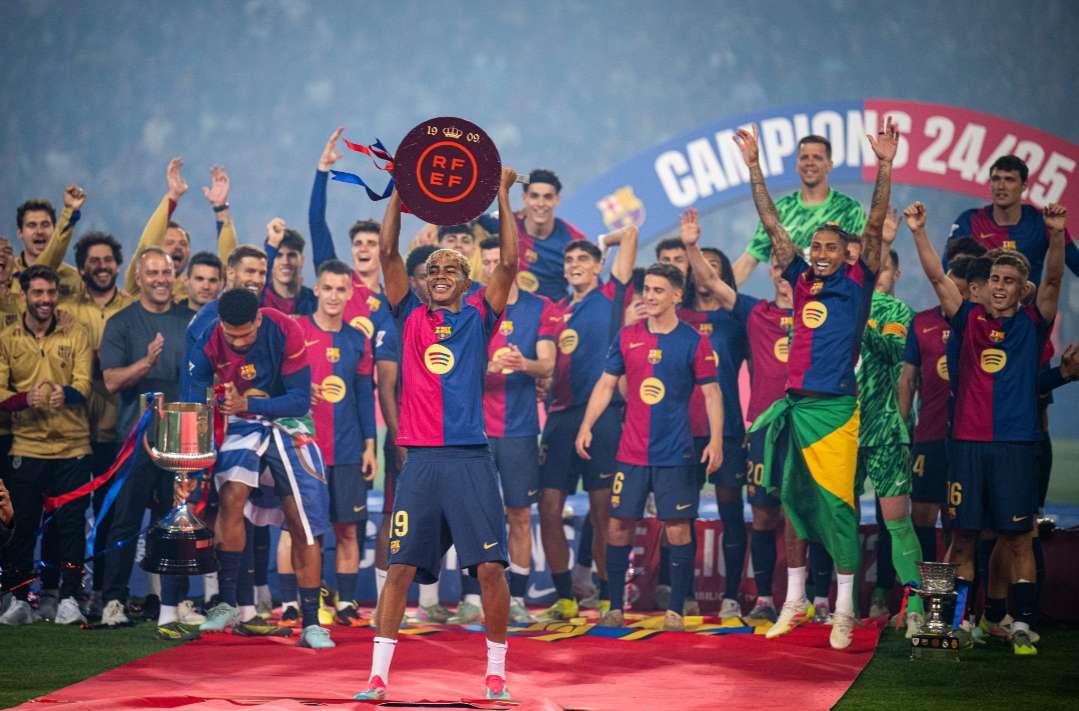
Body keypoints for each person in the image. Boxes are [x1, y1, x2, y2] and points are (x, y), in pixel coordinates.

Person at [354, 167, 519, 702]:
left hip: (470, 459)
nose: (441, 273)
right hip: (421, 462)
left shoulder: (480, 317)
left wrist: (502, 194)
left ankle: (496, 672)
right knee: (398, 566)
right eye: (433, 270)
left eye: (452, 269)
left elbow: (509, 263)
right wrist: (399, 195)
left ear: (468, 281)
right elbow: (388, 253)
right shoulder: (407, 315)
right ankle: (377, 676)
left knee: (490, 567)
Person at [739, 117, 897, 650]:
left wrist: (884, 166)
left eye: (831, 246)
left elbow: (873, 224)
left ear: (847, 253)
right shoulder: (801, 280)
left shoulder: (858, 284)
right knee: (794, 507)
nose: (822, 253)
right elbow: (771, 223)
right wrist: (755, 167)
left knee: (838, 511)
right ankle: (795, 602)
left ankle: (844, 610)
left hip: (835, 413)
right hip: (795, 408)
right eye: (817, 247)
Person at [907, 199, 1067, 656]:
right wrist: (918, 232)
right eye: (994, 279)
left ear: (1022, 290)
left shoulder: (1033, 324)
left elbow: (1053, 279)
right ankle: (951, 625)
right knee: (961, 538)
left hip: (1015, 446)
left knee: (1018, 538)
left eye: (1008, 281)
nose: (998, 287)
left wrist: (1056, 235)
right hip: (966, 446)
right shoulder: (967, 319)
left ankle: (1021, 625)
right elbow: (938, 278)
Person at [184, 287, 333, 648]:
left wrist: (249, 403)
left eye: (246, 335)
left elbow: (299, 401)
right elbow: (193, 403)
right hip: (238, 421)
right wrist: (192, 465)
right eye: (231, 336)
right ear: (221, 324)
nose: (238, 343)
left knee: (302, 518)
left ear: (259, 320)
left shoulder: (285, 329)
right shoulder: (205, 335)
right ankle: (226, 603)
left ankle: (312, 623)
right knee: (231, 495)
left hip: (287, 422)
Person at [577, 262, 723, 630]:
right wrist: (586, 425)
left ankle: (675, 609)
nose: (650, 296)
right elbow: (606, 384)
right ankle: (615, 607)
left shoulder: (693, 340)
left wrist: (717, 440)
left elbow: (712, 392)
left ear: (677, 295)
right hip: (631, 452)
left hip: (676, 452)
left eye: (659, 290)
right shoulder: (627, 336)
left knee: (677, 529)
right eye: (647, 290)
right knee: (617, 526)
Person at [679, 209, 793, 622]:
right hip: (683, 432)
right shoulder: (678, 318)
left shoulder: (739, 320)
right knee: (683, 513)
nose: (706, 273)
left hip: (728, 432)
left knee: (735, 512)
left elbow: (764, 368)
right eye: (701, 265)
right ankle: (683, 595)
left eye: (714, 267)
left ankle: (736, 596)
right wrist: (691, 245)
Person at [99, 247, 204, 637]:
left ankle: (178, 602)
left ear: (175, 276)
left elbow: (202, 377)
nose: (161, 279)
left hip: (179, 445)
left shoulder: (190, 322)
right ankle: (113, 600)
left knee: (176, 525)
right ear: (139, 278)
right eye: (153, 272)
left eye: (166, 272)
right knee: (125, 523)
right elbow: (111, 381)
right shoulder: (121, 323)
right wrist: (146, 363)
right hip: (135, 443)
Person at [536, 226, 637, 622]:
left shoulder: (612, 296)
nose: (575, 265)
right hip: (560, 418)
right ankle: (565, 597)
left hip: (603, 417)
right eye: (569, 260)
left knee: (601, 513)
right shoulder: (553, 310)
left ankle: (610, 598)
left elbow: (630, 234)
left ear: (598, 267)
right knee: (548, 508)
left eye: (583, 259)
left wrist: (604, 243)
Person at [42, 231, 135, 622]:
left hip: (117, 430)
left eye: (108, 260)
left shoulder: (132, 307)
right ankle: (55, 591)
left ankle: (103, 593)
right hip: (73, 431)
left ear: (118, 264)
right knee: (65, 515)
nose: (101, 266)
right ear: (81, 268)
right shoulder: (64, 310)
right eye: (93, 261)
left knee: (111, 517)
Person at [470, 236, 557, 624]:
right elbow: (452, 364)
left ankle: (517, 599)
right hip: (475, 432)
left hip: (519, 430)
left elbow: (548, 364)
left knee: (520, 515)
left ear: (513, 263)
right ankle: (474, 599)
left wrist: (525, 364)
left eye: (498, 261)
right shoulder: (470, 307)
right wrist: (486, 366)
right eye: (486, 262)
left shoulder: (540, 307)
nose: (493, 268)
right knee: (473, 514)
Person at [0, 265, 92, 626]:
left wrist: (64, 394)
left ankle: (69, 596)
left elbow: (84, 384)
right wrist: (26, 398)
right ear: (24, 295)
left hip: (72, 445)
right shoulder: (8, 337)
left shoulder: (76, 332)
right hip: (28, 445)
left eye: (51, 292)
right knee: (22, 526)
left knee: (70, 526)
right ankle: (21, 598)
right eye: (38, 292)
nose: (45, 299)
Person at [290, 259, 377, 626]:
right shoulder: (296, 331)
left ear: (349, 294)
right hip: (303, 447)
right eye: (327, 288)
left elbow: (364, 397)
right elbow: (277, 381)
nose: (333, 296)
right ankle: (298, 601)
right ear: (316, 289)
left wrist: (369, 445)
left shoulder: (358, 339)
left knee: (348, 529)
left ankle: (346, 603)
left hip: (346, 448)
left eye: (341, 289)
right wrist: (299, 390)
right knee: (302, 530)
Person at [849, 214, 924, 635]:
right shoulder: (835, 305)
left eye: (883, 264)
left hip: (885, 430)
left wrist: (861, 324)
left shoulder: (897, 312)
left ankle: (916, 607)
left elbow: (895, 352)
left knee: (897, 521)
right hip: (843, 431)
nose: (876, 271)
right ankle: (843, 603)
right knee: (841, 521)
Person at [897, 259, 977, 566]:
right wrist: (902, 429)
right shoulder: (921, 323)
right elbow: (907, 380)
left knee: (958, 517)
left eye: (959, 289)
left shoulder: (978, 324)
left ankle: (960, 592)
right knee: (922, 514)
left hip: (967, 437)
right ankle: (928, 589)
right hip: (929, 434)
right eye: (947, 285)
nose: (949, 293)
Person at [731, 136, 867, 285]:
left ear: (829, 165)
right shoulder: (781, 209)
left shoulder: (850, 209)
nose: (810, 162)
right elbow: (748, 261)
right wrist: (718, 296)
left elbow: (864, 263)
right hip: (792, 298)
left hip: (836, 295)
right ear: (797, 164)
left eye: (817, 158)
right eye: (804, 157)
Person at [945, 155, 1079, 282]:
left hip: (1030, 300)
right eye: (996, 179)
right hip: (980, 300)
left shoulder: (1043, 222)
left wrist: (1057, 235)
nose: (1001, 186)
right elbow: (947, 271)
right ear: (990, 183)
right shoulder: (970, 221)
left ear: (1024, 185)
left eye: (1009, 180)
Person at [125, 160, 237, 302]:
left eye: (183, 244)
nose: (177, 247)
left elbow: (230, 270)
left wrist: (221, 208)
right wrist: (173, 196)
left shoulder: (195, 290)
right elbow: (146, 248)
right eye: (169, 242)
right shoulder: (140, 284)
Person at [477, 169, 587, 301]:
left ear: (557, 200)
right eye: (534, 196)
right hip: (507, 308)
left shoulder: (574, 241)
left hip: (553, 312)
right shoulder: (504, 224)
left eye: (547, 197)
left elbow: (588, 289)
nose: (541, 203)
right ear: (525, 198)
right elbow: (467, 211)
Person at [10, 186, 86, 300]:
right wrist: (69, 212)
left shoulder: (75, 279)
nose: (39, 231)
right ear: (20, 233)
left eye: (45, 225)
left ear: (55, 230)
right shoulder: (7, 274)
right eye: (32, 225)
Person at [263, 218, 317, 315]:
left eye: (291, 255)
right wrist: (273, 244)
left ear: (302, 260)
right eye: (278, 255)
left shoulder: (315, 302)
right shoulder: (259, 299)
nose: (285, 262)